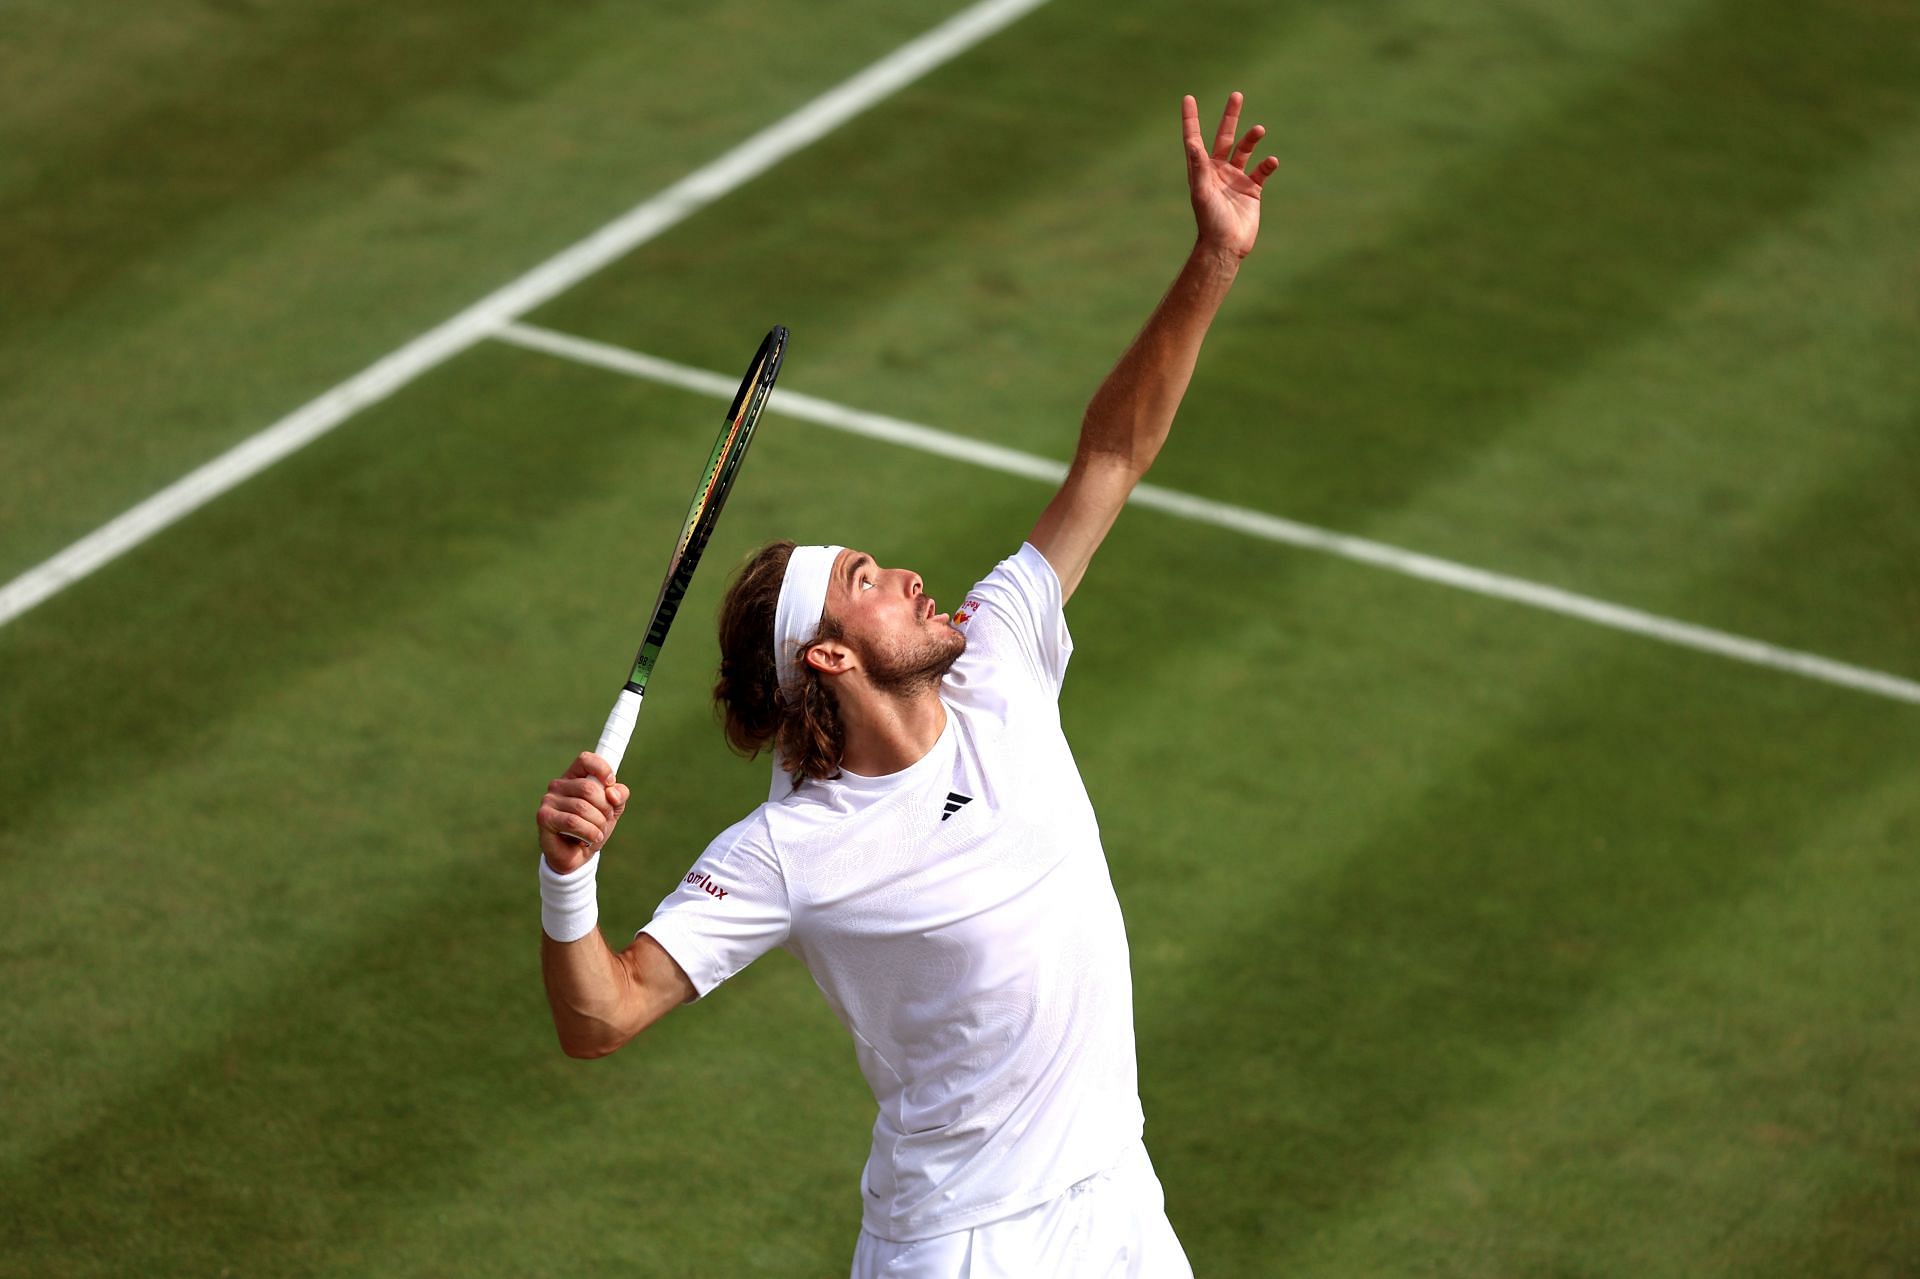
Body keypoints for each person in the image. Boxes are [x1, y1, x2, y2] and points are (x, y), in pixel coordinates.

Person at [536, 92, 1278, 1277]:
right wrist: (566, 880)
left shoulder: (1001, 657)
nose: (913, 576)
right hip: (969, 1247)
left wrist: (1212, 260)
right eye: (870, 579)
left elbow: (1112, 452)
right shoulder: (789, 848)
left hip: (1117, 1202)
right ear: (828, 655)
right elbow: (600, 1016)